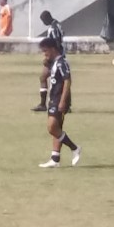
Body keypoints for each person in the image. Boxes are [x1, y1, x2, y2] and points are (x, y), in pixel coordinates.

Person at [37, 37, 81, 168]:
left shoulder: (62, 63)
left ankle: (75, 148)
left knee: (52, 127)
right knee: (57, 128)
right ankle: (55, 158)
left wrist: (63, 101)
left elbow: (68, 81)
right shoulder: (53, 62)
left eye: (46, 51)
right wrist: (46, 63)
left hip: (60, 99)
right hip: (53, 98)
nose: (44, 54)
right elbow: (43, 76)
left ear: (52, 49)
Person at [33, 11, 64, 112]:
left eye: (43, 21)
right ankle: (63, 104)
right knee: (59, 80)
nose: (43, 23)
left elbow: (56, 44)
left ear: (47, 18)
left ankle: (44, 104)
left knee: (47, 78)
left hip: (55, 58)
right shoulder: (58, 24)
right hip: (58, 56)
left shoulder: (53, 28)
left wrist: (49, 58)